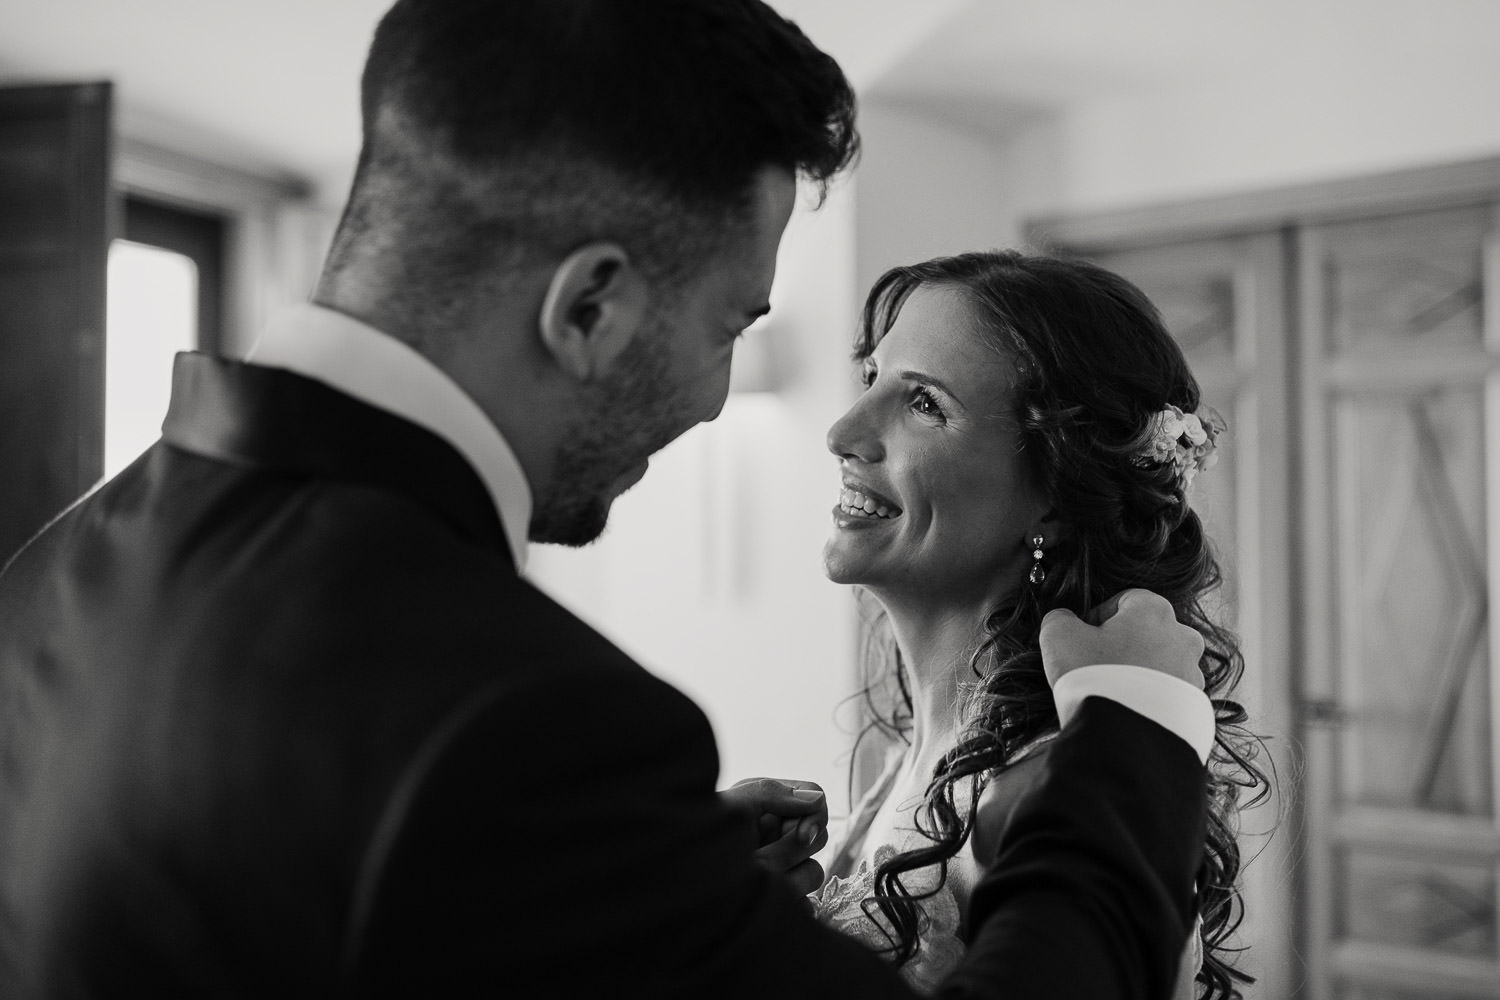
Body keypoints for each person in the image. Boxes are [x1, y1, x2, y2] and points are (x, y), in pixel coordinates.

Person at [0, 2, 1208, 997]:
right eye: (731, 322)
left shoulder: (57, 568)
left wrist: (635, 901)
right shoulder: (515, 720)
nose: (720, 397)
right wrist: (1143, 737)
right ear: (589, 307)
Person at [808, 250, 1270, 997]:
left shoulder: (1036, 789)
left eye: (925, 403)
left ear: (1055, 495)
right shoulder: (906, 756)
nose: (844, 430)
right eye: (872, 380)